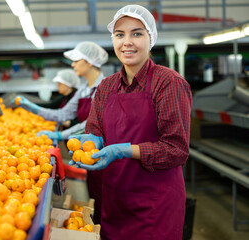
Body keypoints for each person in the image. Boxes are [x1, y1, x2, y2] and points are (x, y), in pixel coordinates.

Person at [69, 5, 193, 240]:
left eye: (137, 33)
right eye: (120, 35)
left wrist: (124, 150)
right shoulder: (106, 87)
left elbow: (176, 150)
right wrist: (91, 139)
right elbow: (95, 128)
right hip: (114, 200)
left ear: (151, 38)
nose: (127, 42)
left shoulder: (168, 83)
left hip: (154, 205)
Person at [12, 41, 108, 142]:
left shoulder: (106, 88)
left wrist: (60, 135)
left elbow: (92, 124)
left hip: (102, 146)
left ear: (90, 61)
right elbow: (63, 114)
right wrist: (33, 108)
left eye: (76, 61)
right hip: (85, 144)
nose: (72, 65)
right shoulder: (83, 90)